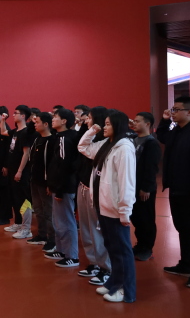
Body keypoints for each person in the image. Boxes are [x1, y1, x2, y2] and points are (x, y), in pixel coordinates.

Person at [79, 111, 137, 303]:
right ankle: (114, 282)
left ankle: (126, 290)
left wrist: (125, 211)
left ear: (118, 126)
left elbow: (127, 183)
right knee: (112, 248)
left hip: (115, 209)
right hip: (102, 206)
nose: (104, 127)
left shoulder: (124, 148)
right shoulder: (107, 145)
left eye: (108, 124)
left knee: (122, 251)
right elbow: (83, 147)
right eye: (104, 123)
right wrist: (92, 130)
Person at [156, 96, 190, 289]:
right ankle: (185, 264)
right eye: (173, 109)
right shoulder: (177, 131)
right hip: (177, 189)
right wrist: (164, 121)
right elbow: (162, 136)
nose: (173, 112)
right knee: (182, 227)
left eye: (177, 109)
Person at [76, 106, 112, 285]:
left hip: (95, 190)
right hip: (83, 186)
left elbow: (84, 148)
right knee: (85, 228)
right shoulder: (89, 136)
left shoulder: (105, 143)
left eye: (89, 118)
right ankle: (93, 263)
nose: (86, 121)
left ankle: (106, 267)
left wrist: (92, 130)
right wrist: (89, 130)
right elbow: (79, 145)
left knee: (97, 229)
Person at [46, 108, 80, 267]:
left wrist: (59, 188)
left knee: (66, 221)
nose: (52, 120)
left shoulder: (65, 139)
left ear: (64, 121)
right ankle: (61, 249)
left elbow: (64, 166)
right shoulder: (59, 136)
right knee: (58, 221)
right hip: (58, 185)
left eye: (55, 117)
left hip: (64, 187)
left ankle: (72, 255)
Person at [130, 112, 162, 261]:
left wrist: (146, 188)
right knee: (136, 218)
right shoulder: (134, 139)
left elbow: (151, 167)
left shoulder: (151, 143)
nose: (134, 123)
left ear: (147, 124)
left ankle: (147, 248)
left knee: (146, 219)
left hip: (144, 187)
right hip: (133, 186)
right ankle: (140, 245)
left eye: (137, 121)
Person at [1, 105, 34, 239]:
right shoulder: (15, 131)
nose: (13, 115)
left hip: (21, 172)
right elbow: (3, 132)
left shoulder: (26, 132)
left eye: (16, 113)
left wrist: (20, 171)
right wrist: (3, 120)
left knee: (23, 199)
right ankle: (18, 223)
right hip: (12, 170)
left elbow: (26, 153)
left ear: (23, 116)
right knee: (15, 198)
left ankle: (26, 228)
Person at [27, 112, 56, 252]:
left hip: (45, 183)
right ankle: (41, 235)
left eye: (37, 122)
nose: (35, 124)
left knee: (48, 211)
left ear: (46, 124)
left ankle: (52, 240)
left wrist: (50, 183)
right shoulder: (37, 139)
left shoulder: (52, 141)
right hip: (35, 180)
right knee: (38, 210)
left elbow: (53, 165)